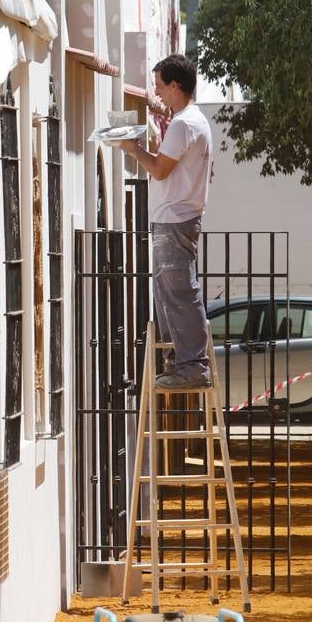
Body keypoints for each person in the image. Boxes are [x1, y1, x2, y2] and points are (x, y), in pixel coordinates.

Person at [118, 53, 213, 389]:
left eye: (159, 87)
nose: (156, 94)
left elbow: (159, 169)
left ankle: (192, 365)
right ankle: (182, 360)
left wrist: (131, 148)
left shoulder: (184, 123)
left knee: (179, 292)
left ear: (176, 85)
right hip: (180, 218)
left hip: (174, 220)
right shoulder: (194, 121)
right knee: (170, 291)